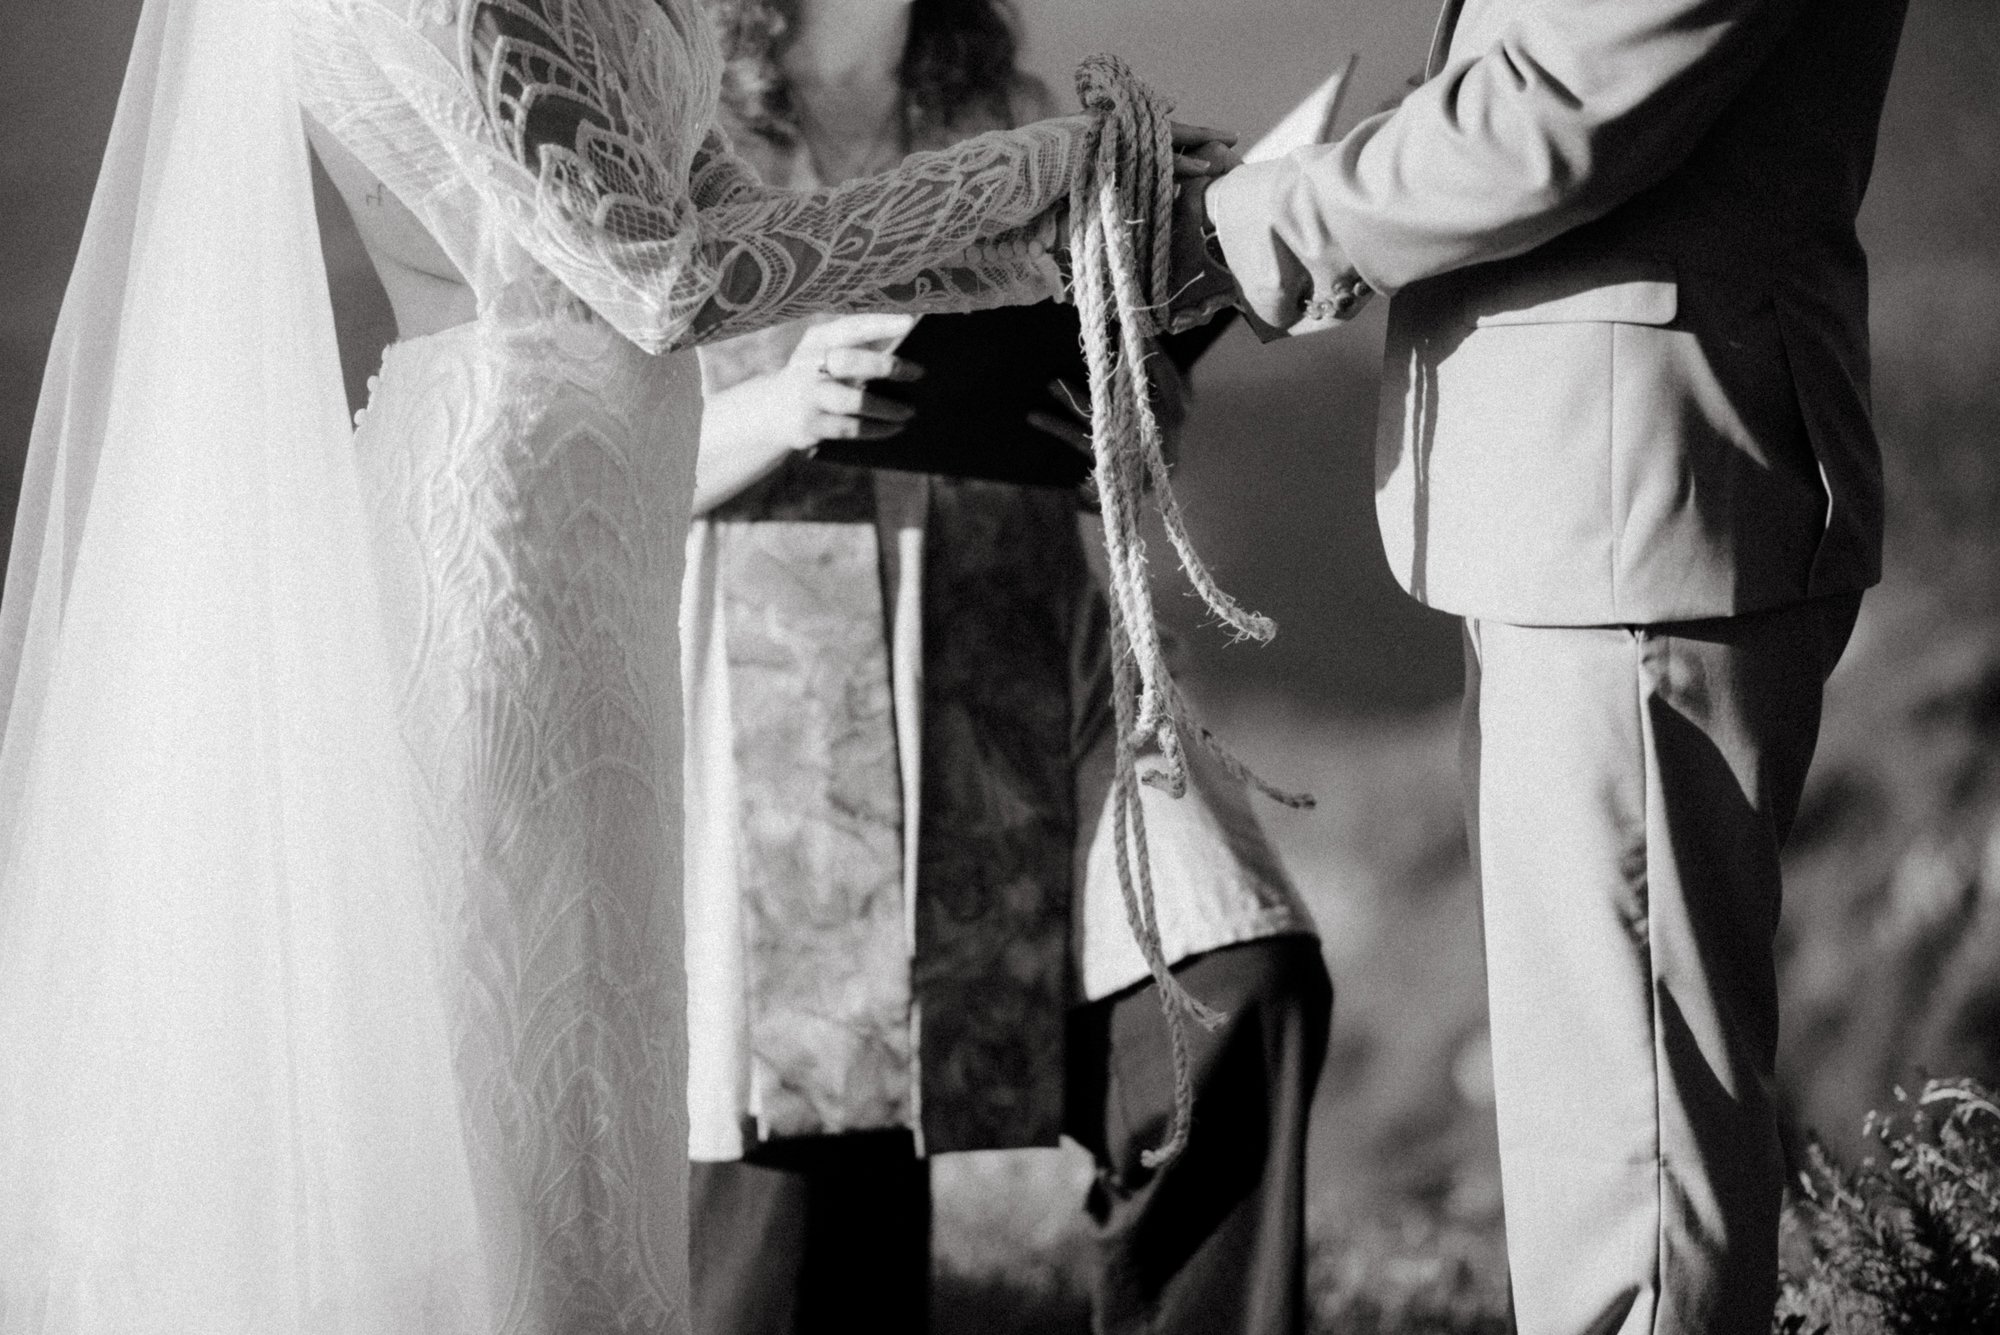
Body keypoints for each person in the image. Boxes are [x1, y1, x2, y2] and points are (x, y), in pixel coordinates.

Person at [0, 0, 1217, 1326]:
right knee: (526, 1074)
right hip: (514, 536)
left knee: (594, 1074)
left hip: (597, 542)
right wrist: (1041, 174)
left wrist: (1103, 237)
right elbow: (662, 280)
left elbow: (751, 225)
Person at [1168, 1, 1911, 1332]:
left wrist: (1253, 225)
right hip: (1595, 510)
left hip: (1634, 514)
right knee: (1600, 1114)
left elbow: (1556, 110)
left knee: (1627, 1148)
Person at [678, 2, 1332, 1333]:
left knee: (1235, 1000)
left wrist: (1128, 396)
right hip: (780, 712)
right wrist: (778, 407)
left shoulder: (1009, 111)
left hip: (1038, 658)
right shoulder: (677, 118)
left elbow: (1114, 389)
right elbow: (557, 435)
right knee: (803, 1257)